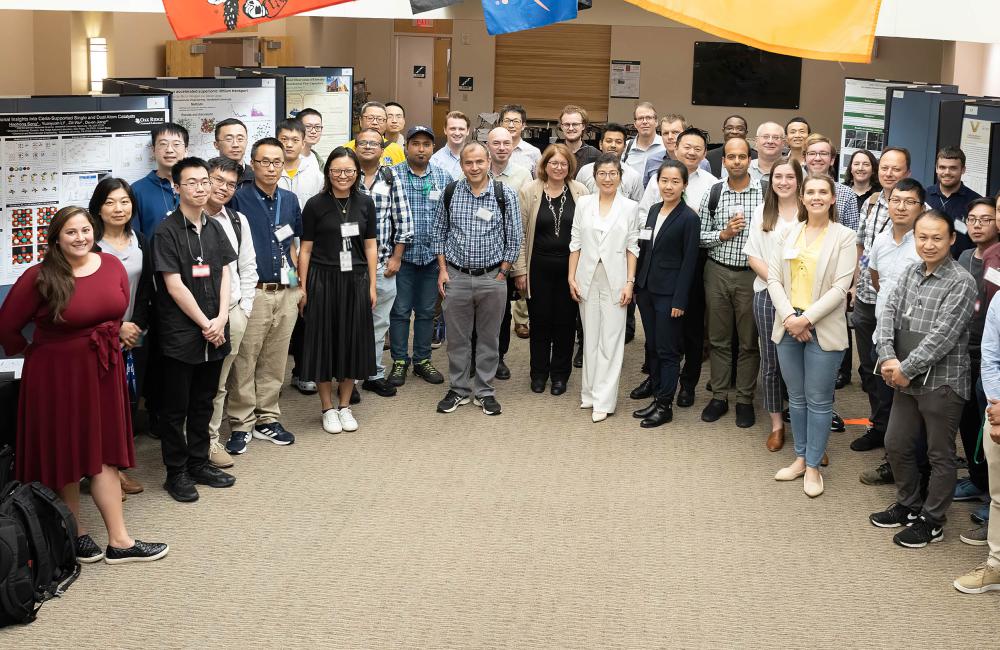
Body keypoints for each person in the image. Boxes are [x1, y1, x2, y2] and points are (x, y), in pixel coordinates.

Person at [0, 206, 168, 564]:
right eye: (71, 232)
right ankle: (74, 534)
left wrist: (118, 329)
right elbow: (7, 328)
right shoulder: (39, 276)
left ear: (94, 232)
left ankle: (120, 542)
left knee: (103, 451)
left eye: (85, 231)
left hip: (101, 368)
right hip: (55, 375)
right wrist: (35, 352)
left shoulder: (111, 265)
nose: (80, 238)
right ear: (57, 239)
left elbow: (115, 311)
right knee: (66, 451)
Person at [869, 210, 976, 548]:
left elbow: (943, 337)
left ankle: (933, 520)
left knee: (939, 454)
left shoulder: (962, 281)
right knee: (896, 444)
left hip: (942, 382)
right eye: (922, 237)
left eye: (937, 238)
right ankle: (909, 505)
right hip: (903, 376)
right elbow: (887, 312)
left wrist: (904, 368)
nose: (928, 244)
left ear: (952, 239)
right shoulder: (910, 271)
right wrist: (887, 356)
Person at [152, 157, 238, 502]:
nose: (201, 189)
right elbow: (174, 285)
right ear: (176, 188)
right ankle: (176, 473)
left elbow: (226, 274)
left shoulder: (215, 226)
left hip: (215, 327)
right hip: (182, 333)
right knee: (175, 409)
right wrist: (206, 323)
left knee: (204, 401)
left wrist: (220, 318)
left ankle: (199, 462)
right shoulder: (166, 231)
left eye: (205, 182)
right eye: (192, 183)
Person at [768, 174, 857, 498]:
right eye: (811, 192)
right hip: (788, 323)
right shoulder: (787, 233)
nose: (817, 197)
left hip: (823, 328)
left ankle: (815, 466)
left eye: (823, 192)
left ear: (833, 198)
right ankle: (801, 457)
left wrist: (806, 319)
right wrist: (791, 318)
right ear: (802, 198)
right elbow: (774, 279)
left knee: (819, 401)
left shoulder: (845, 237)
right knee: (797, 398)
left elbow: (840, 288)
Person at [431, 141, 522, 416]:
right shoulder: (450, 192)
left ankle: (484, 391)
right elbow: (438, 233)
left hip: (492, 278)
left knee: (488, 339)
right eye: (468, 162)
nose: (474, 167)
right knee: (457, 340)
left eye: (479, 162)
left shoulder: (504, 193)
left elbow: (514, 238)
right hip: (456, 276)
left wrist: (503, 273)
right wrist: (443, 270)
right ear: (461, 165)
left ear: (488, 162)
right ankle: (458, 389)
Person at [225, 137, 302, 454]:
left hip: (286, 291)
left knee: (275, 360)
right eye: (264, 161)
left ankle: (267, 418)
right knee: (245, 360)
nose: (271, 167)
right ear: (253, 165)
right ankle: (241, 423)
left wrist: (300, 286)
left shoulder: (290, 199)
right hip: (252, 293)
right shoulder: (239, 199)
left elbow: (294, 244)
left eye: (277, 162)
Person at [298, 147, 378, 434]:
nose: (342, 176)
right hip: (322, 278)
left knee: (352, 342)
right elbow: (305, 250)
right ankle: (327, 407)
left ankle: (345, 405)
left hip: (355, 280)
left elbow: (370, 246)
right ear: (327, 172)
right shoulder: (315, 205)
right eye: (336, 171)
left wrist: (371, 284)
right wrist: (303, 287)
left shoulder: (365, 203)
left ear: (357, 173)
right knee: (323, 343)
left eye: (348, 171)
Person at [511, 144, 588, 395]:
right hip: (537, 269)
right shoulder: (529, 191)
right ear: (544, 165)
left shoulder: (581, 192)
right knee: (540, 322)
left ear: (569, 167)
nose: (558, 167)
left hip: (570, 271)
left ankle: (559, 375)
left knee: (565, 324)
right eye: (553, 163)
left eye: (563, 163)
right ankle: (539, 373)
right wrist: (520, 271)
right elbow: (520, 234)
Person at [91, 178, 152, 497]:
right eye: (111, 202)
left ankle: (117, 469)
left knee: (128, 400)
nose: (119, 208)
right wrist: (117, 327)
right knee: (99, 406)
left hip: (135, 334)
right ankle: (97, 471)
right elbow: (85, 297)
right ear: (98, 208)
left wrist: (136, 326)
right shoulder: (89, 244)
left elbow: (145, 291)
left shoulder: (140, 239)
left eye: (125, 201)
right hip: (99, 335)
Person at [568, 152, 640, 423]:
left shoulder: (630, 207)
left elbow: (633, 247)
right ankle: (589, 392)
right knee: (590, 337)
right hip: (586, 277)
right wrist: (571, 278)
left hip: (616, 280)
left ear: (620, 177)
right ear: (594, 177)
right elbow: (575, 242)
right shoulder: (584, 203)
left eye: (613, 174)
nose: (607, 178)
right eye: (602, 174)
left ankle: (604, 399)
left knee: (611, 340)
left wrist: (629, 283)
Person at [699, 137, 764, 428]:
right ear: (723, 161)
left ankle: (745, 400)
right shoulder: (713, 193)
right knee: (718, 339)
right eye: (730, 157)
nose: (736, 161)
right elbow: (700, 236)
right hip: (717, 271)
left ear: (749, 159)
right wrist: (723, 235)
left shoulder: (764, 193)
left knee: (749, 342)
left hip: (752, 275)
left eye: (741, 156)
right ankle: (720, 396)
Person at [859, 179, 926, 458]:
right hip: (884, 335)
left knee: (911, 406)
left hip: (915, 337)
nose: (901, 207)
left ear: (921, 208)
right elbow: (877, 281)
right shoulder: (881, 240)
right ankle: (883, 438)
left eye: (909, 202)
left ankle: (906, 461)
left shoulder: (925, 244)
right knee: (883, 393)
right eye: (895, 201)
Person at [851, 146, 912, 452]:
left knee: (890, 369)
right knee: (868, 368)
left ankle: (894, 438)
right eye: (884, 168)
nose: (888, 174)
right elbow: (861, 247)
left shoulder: (916, 211)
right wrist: (856, 282)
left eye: (895, 169)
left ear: (907, 173)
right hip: (865, 299)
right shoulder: (873, 203)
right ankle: (877, 426)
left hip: (898, 309)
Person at [631, 160, 700, 427]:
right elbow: (646, 248)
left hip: (670, 295)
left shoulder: (689, 217)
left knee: (668, 350)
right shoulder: (653, 210)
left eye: (675, 182)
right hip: (647, 290)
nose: (668, 186)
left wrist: (680, 300)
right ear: (657, 183)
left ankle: (664, 405)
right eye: (664, 181)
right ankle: (657, 395)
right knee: (653, 347)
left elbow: (689, 262)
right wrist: (638, 285)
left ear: (684, 185)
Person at [744, 159, 803, 451]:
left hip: (806, 298)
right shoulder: (762, 212)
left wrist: (794, 289)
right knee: (771, 362)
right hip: (767, 295)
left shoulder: (810, 212)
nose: (783, 181)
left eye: (789, 176)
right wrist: (780, 285)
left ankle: (806, 429)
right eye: (777, 176)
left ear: (798, 179)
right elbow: (753, 257)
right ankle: (777, 425)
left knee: (803, 364)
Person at [203, 157, 257, 469]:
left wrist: (244, 310)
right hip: (194, 318)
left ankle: (210, 441)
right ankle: (192, 440)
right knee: (195, 384)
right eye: (217, 180)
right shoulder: (180, 221)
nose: (223, 188)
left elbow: (247, 268)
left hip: (233, 313)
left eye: (230, 184)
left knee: (220, 383)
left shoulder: (237, 220)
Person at [387, 126, 451, 387]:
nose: (421, 148)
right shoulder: (391, 175)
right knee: (400, 311)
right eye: (416, 144)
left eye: (426, 144)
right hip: (402, 258)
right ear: (406, 147)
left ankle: (423, 360)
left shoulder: (443, 177)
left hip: (432, 258)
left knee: (426, 312)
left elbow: (449, 218)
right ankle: (400, 360)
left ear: (432, 148)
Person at [355, 128, 414, 397]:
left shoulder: (391, 179)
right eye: (363, 142)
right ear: (355, 146)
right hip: (350, 267)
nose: (368, 147)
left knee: (379, 324)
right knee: (351, 324)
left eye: (374, 144)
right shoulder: (345, 176)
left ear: (382, 150)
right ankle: (350, 379)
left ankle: (374, 373)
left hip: (382, 265)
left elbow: (403, 222)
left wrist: (397, 257)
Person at [954, 197, 999, 533]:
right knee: (969, 420)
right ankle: (975, 479)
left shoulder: (998, 257)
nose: (979, 224)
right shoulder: (966, 256)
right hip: (963, 349)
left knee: (991, 427)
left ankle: (991, 498)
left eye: (987, 218)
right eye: (973, 219)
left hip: (990, 353)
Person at [953, 291, 1000, 593]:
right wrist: (997, 406)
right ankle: (996, 565)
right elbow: (991, 356)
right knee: (999, 495)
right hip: (998, 410)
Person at [484, 126, 531, 376]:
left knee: (502, 314)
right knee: (477, 313)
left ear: (513, 146)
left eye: (506, 143)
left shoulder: (523, 176)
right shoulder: (477, 170)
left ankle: (498, 358)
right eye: (496, 143)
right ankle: (475, 357)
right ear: (488, 146)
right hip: (480, 254)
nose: (502, 147)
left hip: (507, 257)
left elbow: (523, 223)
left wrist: (519, 267)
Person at [924, 146, 982, 258]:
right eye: (942, 167)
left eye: (953, 168)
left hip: (961, 266)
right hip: (925, 262)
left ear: (963, 170)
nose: (947, 172)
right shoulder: (923, 196)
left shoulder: (975, 202)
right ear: (936, 168)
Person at [132, 122, 187, 237]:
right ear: (153, 150)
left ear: (186, 150)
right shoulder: (137, 190)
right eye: (163, 144)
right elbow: (134, 237)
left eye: (176, 144)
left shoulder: (198, 186)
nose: (169, 150)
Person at [802, 133, 860, 230]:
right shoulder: (795, 189)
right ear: (804, 159)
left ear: (832, 160)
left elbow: (853, 234)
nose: (817, 158)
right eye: (812, 153)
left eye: (823, 153)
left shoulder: (847, 194)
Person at [577, 123, 644, 203]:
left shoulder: (634, 176)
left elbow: (639, 209)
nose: (613, 145)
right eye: (609, 141)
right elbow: (577, 201)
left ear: (624, 147)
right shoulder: (585, 172)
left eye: (618, 142)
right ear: (601, 144)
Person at [277, 118, 324, 210]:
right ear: (276, 141)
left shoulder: (316, 176)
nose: (289, 144)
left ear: (303, 143)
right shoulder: (269, 173)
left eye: (295, 140)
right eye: (284, 139)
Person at [345, 102, 405, 166]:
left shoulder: (396, 150)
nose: (375, 122)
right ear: (360, 121)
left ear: (385, 123)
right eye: (370, 118)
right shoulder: (348, 149)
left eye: (380, 119)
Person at [621, 102, 664, 179]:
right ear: (635, 124)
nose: (644, 122)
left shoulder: (666, 146)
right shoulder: (625, 147)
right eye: (640, 118)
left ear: (656, 122)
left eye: (649, 118)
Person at [501, 104, 542, 175]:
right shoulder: (491, 151)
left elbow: (539, 183)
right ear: (501, 124)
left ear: (523, 126)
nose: (511, 125)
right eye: (507, 121)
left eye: (516, 121)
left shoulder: (534, 152)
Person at [558, 104, 600, 172]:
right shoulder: (554, 153)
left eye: (575, 124)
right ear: (562, 127)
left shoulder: (595, 155)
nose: (571, 128)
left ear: (583, 126)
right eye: (567, 124)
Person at [430, 110, 470, 180]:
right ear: (445, 130)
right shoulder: (435, 161)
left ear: (468, 131)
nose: (457, 133)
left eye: (461, 129)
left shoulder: (475, 158)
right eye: (452, 128)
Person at [214, 118, 254, 186]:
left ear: (246, 142)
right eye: (229, 139)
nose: (235, 144)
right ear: (216, 145)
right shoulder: (205, 175)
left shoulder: (258, 176)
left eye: (240, 139)